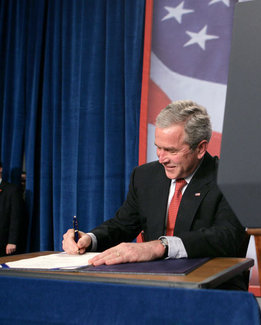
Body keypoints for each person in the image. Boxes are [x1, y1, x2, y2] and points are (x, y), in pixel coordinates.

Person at [62, 100, 249, 289]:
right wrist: (90, 239)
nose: (161, 158)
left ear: (200, 148)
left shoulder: (228, 178)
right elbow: (122, 225)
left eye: (171, 150)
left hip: (210, 287)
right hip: (154, 284)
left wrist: (160, 246)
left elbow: (226, 237)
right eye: (158, 147)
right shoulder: (145, 176)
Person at [0, 161, 26, 256]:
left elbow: (15, 216)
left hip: (3, 242)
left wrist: (12, 241)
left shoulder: (11, 190)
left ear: (0, 169)